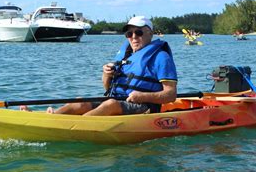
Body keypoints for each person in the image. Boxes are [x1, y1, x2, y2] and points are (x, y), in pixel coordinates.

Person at [46, 16, 178, 115]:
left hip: (144, 106)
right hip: (116, 100)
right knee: (81, 101)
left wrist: (143, 96)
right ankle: (52, 118)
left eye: (138, 32)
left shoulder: (161, 57)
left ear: (150, 33)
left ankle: (73, 126)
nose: (133, 37)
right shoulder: (126, 55)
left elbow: (171, 94)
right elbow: (107, 87)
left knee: (111, 104)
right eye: (129, 34)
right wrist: (106, 75)